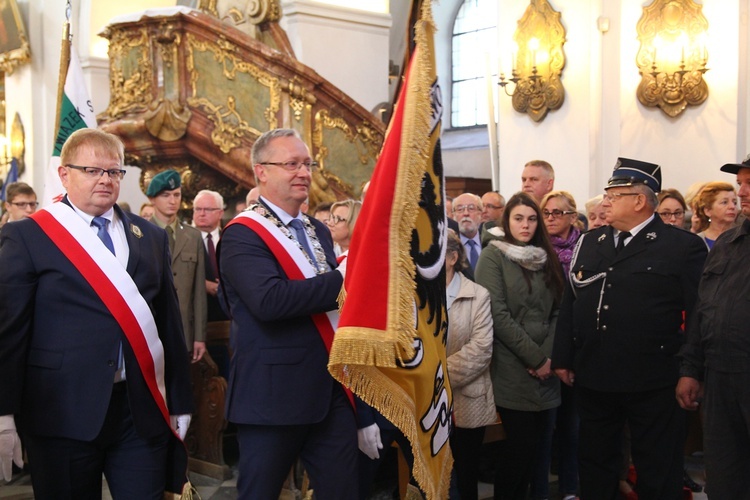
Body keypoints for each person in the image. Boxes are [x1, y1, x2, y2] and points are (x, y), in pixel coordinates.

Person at [0, 128, 193, 497]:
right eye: (92, 170)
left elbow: (169, 324)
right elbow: (10, 330)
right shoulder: (29, 236)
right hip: (61, 411)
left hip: (139, 411)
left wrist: (180, 401)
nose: (105, 180)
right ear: (64, 174)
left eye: (114, 172)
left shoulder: (149, 236)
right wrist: (3, 411)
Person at [551, 157, 707, 500]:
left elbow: (698, 312)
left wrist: (691, 369)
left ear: (639, 201)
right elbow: (572, 301)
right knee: (595, 463)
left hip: (653, 378)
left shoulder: (681, 246)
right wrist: (563, 356)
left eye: (614, 195)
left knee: (657, 467)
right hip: (595, 375)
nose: (605, 202)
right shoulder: (591, 242)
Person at [218, 128, 357, 498]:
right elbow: (271, 302)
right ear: (261, 171)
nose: (304, 173)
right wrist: (345, 279)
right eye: (292, 164)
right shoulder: (242, 234)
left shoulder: (317, 229)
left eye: (307, 164)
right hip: (272, 396)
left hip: (330, 389)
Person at [475, 191, 564, 500]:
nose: (525, 225)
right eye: (518, 218)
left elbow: (557, 311)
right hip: (512, 365)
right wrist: (535, 358)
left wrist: (547, 357)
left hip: (546, 368)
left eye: (531, 218)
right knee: (517, 452)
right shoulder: (494, 255)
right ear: (507, 221)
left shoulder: (544, 253)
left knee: (539, 453)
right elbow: (496, 314)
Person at [676, 155, 750, 499]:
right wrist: (691, 369)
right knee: (723, 474)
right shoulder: (727, 244)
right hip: (720, 376)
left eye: (749, 184)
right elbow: (703, 309)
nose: (742, 191)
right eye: (741, 183)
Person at [533, 190, 582, 500]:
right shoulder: (535, 250)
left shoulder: (586, 248)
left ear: (572, 217)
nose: (550, 218)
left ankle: (570, 487)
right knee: (546, 427)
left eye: (557, 213)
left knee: (573, 426)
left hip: (578, 348)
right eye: (546, 213)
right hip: (544, 349)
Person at [445, 229, 496, 500]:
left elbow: (481, 349)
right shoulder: (415, 297)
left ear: (453, 257)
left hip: (467, 397)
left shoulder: (478, 295)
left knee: (465, 473)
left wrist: (437, 375)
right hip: (427, 401)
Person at [147, 170, 207, 362]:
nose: (172, 201)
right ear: (152, 199)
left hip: (184, 332)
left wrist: (199, 336)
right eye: (165, 195)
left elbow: (199, 293)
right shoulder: (139, 234)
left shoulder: (193, 237)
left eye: (176, 195)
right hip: (151, 330)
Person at [192, 189, 228, 323]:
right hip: (197, 316)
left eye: (207, 209)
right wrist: (203, 285)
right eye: (197, 209)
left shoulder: (230, 238)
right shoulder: (184, 240)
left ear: (220, 213)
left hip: (228, 313)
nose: (201, 214)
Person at [694, 181, 738, 249]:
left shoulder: (743, 239)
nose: (732, 206)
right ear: (708, 210)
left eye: (735, 202)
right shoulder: (697, 241)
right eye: (724, 202)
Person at [453, 192, 484, 272]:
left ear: (480, 213)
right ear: (454, 215)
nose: (466, 213)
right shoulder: (449, 245)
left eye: (471, 208)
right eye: (460, 209)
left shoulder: (489, 242)